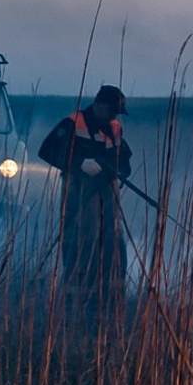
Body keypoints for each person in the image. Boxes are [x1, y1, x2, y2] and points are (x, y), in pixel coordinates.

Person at [39, 85, 130, 315]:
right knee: (81, 239)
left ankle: (111, 299)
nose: (113, 117)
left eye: (116, 113)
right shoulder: (73, 123)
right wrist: (79, 163)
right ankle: (73, 303)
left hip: (108, 195)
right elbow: (46, 151)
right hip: (78, 193)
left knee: (115, 240)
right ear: (99, 105)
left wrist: (118, 171)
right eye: (111, 111)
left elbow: (125, 162)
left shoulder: (115, 128)